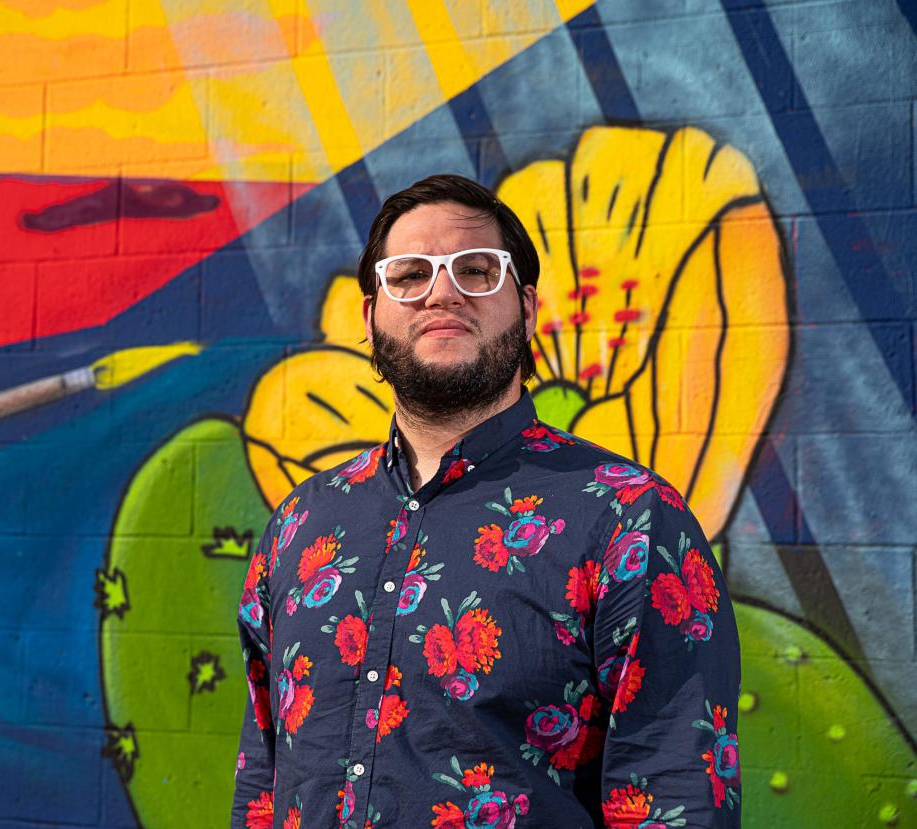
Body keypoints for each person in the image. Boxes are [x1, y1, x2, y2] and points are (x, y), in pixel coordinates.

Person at [231, 174, 740, 828]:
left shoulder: (630, 521)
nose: (441, 291)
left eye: (475, 270)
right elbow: (262, 782)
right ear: (369, 316)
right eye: (410, 275)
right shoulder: (299, 524)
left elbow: (677, 799)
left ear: (527, 309)